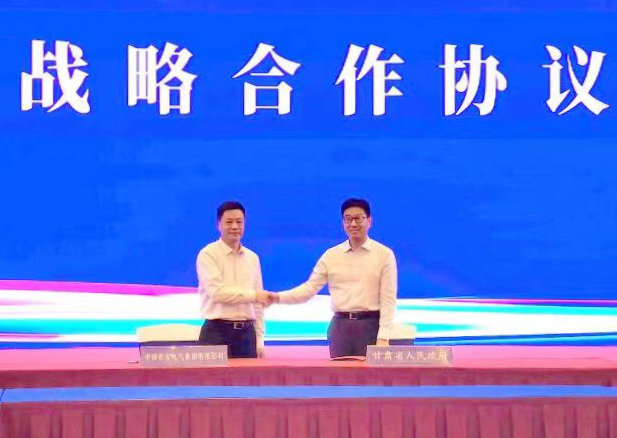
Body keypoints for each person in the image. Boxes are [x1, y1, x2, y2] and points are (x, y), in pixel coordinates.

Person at [267, 198, 397, 358]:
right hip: (340, 328)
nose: (353, 224)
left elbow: (388, 300)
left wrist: (383, 337)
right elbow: (308, 289)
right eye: (348, 219)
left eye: (358, 218)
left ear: (369, 221)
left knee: (370, 374)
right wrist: (277, 297)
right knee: (339, 374)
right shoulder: (331, 256)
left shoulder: (384, 255)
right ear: (343, 222)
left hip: (371, 326)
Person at [196, 201, 270, 358]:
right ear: (218, 224)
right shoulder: (208, 254)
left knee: (248, 375)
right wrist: (253, 295)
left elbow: (258, 304)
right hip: (216, 333)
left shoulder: (252, 258)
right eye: (229, 222)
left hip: (247, 335)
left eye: (239, 222)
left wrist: (260, 339)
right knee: (211, 375)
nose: (235, 227)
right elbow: (217, 294)